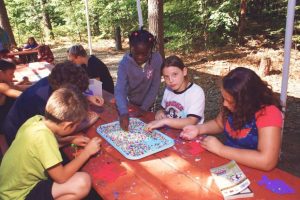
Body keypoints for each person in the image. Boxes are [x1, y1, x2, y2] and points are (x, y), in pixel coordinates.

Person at [0, 86, 102, 200]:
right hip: (18, 196)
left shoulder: (36, 120)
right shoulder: (43, 138)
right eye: (76, 125)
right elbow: (61, 177)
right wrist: (87, 152)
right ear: (67, 125)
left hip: (7, 187)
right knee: (83, 182)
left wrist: (70, 140)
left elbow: (43, 147)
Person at [180, 67, 283, 171]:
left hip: (256, 172)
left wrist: (221, 149)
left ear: (246, 101)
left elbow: (267, 161)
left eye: (230, 101)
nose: (225, 104)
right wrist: (198, 129)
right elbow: (219, 124)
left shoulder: (269, 113)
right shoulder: (232, 107)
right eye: (224, 99)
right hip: (230, 165)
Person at [2, 61, 104, 145]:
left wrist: (87, 97)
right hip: (19, 137)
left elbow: (67, 94)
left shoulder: (53, 81)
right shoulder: (43, 99)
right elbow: (59, 132)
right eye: (78, 92)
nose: (80, 93)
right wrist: (86, 122)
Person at [115, 28, 163, 131]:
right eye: (136, 53)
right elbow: (120, 89)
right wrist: (123, 111)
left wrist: (144, 108)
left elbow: (155, 86)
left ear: (151, 50)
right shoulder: (124, 64)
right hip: (131, 102)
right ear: (131, 48)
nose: (140, 57)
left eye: (144, 54)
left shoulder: (157, 60)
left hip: (148, 104)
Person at [145, 55, 205, 131]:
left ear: (184, 71)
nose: (170, 80)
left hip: (191, 136)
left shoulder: (196, 92)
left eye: (175, 74)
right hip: (171, 133)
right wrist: (159, 112)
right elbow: (163, 109)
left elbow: (192, 121)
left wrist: (164, 121)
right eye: (166, 77)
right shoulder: (168, 89)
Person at [0, 59, 29, 129]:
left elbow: (17, 87)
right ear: (1, 73)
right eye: (11, 74)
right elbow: (20, 95)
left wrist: (36, 86)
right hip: (4, 124)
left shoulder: (5, 83)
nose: (13, 76)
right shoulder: (1, 86)